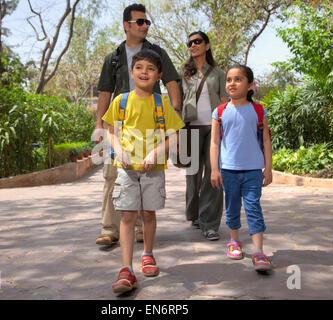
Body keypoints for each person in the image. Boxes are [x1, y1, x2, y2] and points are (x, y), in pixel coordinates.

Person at [95, 3, 182, 246]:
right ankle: (110, 229)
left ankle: (144, 231)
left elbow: (172, 82)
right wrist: (99, 127)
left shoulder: (157, 53)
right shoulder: (113, 58)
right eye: (140, 22)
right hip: (120, 122)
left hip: (152, 123)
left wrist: (174, 111)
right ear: (127, 25)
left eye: (147, 22)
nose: (145, 26)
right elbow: (104, 92)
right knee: (114, 175)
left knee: (148, 174)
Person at [103, 49, 185, 294]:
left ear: (159, 75)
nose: (144, 72)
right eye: (139, 68)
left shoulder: (161, 103)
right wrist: (119, 151)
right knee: (127, 216)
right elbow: (109, 130)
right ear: (131, 72)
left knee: (148, 213)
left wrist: (155, 153)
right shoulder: (121, 101)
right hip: (126, 169)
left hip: (153, 169)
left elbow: (175, 135)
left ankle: (147, 254)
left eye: (150, 69)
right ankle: (126, 269)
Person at [210, 64, 273, 272]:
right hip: (228, 170)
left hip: (253, 170)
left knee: (254, 208)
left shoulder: (258, 110)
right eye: (229, 80)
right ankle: (234, 241)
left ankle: (258, 252)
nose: (232, 83)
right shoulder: (219, 112)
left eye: (238, 79)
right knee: (232, 207)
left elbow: (266, 141)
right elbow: (215, 143)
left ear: (250, 85)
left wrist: (268, 168)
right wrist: (214, 169)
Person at [178, 31, 227, 240]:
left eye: (197, 41)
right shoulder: (184, 74)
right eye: (190, 43)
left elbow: (226, 103)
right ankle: (194, 214)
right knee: (193, 175)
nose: (193, 45)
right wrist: (177, 134)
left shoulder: (218, 73)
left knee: (214, 174)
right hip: (190, 129)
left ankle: (210, 223)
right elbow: (178, 104)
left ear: (207, 45)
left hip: (214, 129)